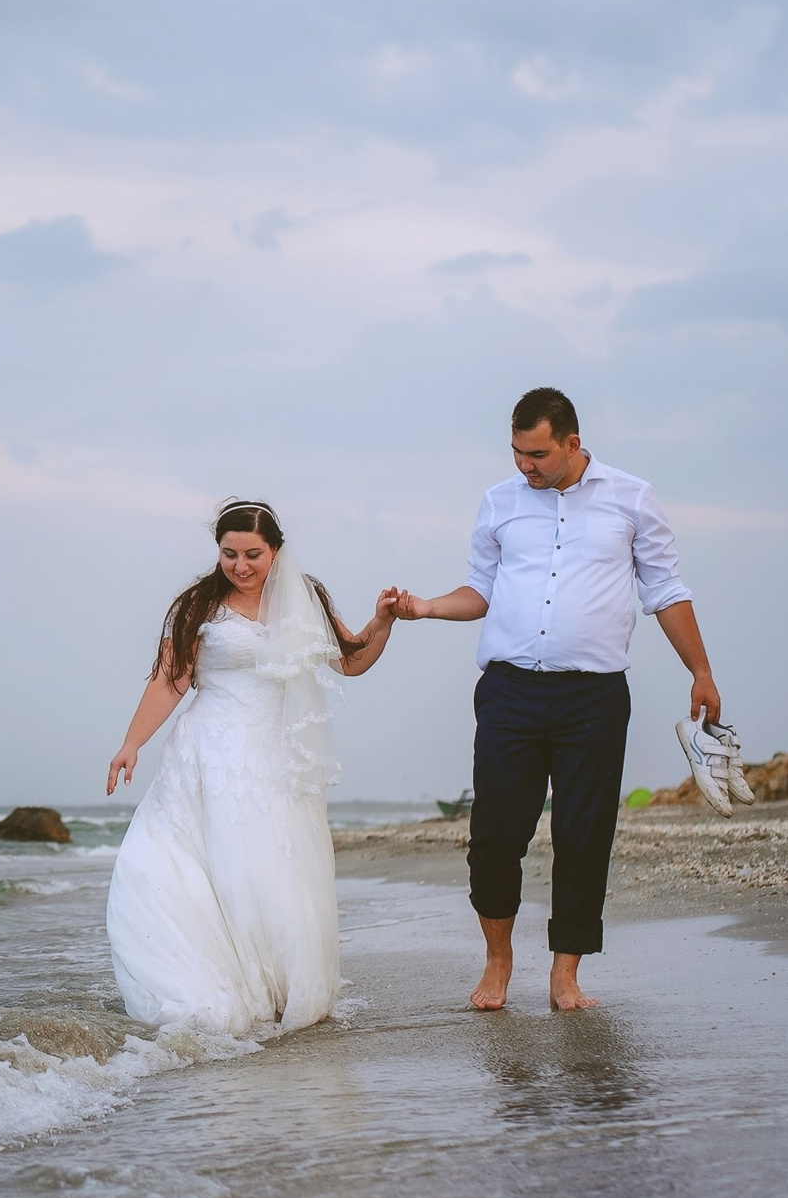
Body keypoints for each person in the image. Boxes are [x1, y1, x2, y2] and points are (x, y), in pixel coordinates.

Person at [394, 387, 721, 1013]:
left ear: (572, 443)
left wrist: (700, 670)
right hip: (510, 691)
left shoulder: (631, 498)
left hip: (593, 696)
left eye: (537, 454)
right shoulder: (499, 503)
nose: (525, 465)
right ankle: (498, 960)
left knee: (583, 835)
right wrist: (427, 607)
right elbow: (480, 591)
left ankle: (565, 975)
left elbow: (665, 591)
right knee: (494, 835)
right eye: (517, 452)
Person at [102, 500, 397, 1036]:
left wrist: (381, 622)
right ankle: (212, 979)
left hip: (280, 756)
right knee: (188, 862)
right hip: (209, 752)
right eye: (229, 553)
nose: (240, 566)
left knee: (274, 867)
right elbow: (171, 678)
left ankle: (277, 988)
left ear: (275, 551)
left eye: (253, 554)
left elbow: (350, 659)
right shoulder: (198, 605)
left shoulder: (303, 598)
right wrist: (132, 742)